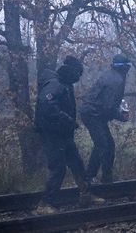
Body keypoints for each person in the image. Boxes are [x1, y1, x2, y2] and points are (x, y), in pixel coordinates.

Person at [35, 56, 104, 215]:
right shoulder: (55, 85)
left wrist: (68, 124)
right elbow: (47, 107)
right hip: (53, 134)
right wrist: (68, 121)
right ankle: (44, 204)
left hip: (63, 133)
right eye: (78, 74)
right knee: (58, 168)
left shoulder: (64, 84)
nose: (79, 77)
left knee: (77, 164)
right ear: (71, 72)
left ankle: (86, 194)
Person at [80, 55, 130, 184]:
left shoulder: (112, 75)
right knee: (104, 145)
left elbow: (107, 104)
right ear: (125, 68)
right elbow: (108, 107)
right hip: (93, 114)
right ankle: (102, 179)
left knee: (105, 144)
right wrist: (121, 116)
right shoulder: (116, 80)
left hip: (94, 113)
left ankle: (93, 176)